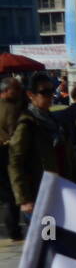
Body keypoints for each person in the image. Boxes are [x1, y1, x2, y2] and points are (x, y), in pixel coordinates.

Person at [8, 73, 76, 223]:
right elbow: (15, 162)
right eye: (44, 92)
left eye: (51, 90)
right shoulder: (27, 124)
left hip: (62, 191)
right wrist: (24, 199)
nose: (50, 96)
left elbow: (71, 159)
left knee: (61, 240)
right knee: (49, 238)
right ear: (31, 95)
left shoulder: (54, 122)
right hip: (41, 195)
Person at [0, 76, 28, 240]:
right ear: (6, 91)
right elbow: (15, 133)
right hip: (6, 153)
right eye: (16, 89)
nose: (19, 92)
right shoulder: (10, 108)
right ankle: (14, 232)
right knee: (11, 196)